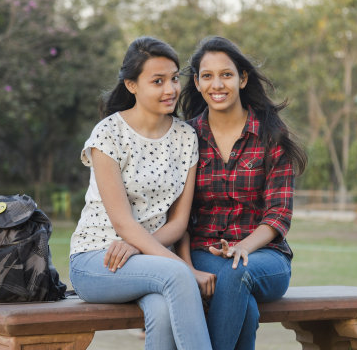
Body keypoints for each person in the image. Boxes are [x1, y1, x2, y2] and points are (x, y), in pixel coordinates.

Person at [69, 36, 212, 350]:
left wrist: (137, 248)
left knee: (162, 311)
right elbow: (123, 225)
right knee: (178, 275)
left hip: (147, 259)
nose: (170, 89)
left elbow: (178, 224)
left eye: (174, 79)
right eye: (157, 81)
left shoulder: (186, 136)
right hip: (97, 260)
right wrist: (184, 268)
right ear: (132, 85)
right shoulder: (108, 133)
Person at [179, 36, 307, 350]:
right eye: (207, 76)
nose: (217, 84)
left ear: (242, 78)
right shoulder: (185, 136)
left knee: (238, 274)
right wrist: (189, 266)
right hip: (203, 253)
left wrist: (242, 247)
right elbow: (176, 214)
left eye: (226, 74)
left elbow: (278, 215)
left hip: (266, 257)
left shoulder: (270, 134)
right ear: (197, 83)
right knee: (244, 308)